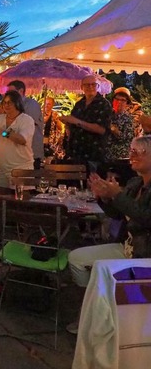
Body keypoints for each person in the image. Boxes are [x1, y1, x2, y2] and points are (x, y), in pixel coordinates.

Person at [66, 135, 151, 334]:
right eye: (131, 150)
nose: (132, 155)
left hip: (144, 254)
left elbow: (145, 218)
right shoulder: (135, 183)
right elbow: (119, 214)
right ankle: (96, 308)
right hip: (127, 248)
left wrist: (116, 195)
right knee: (76, 259)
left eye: (139, 152)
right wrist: (104, 197)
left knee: (101, 270)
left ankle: (104, 315)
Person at [0, 90, 35, 195]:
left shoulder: (26, 120)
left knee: (20, 199)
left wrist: (2, 132)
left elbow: (22, 140)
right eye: (4, 102)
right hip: (2, 167)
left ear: (17, 103)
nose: (6, 105)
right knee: (0, 198)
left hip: (21, 167)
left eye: (10, 102)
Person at [60, 75, 112, 171]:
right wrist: (67, 123)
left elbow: (102, 130)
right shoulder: (79, 104)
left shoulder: (104, 104)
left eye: (93, 85)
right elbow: (72, 127)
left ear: (98, 86)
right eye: (87, 85)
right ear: (82, 87)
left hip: (94, 155)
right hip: (76, 154)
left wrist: (77, 122)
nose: (90, 87)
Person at [6, 80, 44, 168]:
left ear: (21, 91)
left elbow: (25, 122)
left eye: (11, 92)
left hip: (31, 152)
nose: (9, 95)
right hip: (17, 153)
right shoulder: (12, 106)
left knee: (30, 180)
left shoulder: (31, 104)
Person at [43, 96, 65, 161]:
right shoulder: (40, 114)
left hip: (52, 141)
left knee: (50, 158)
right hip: (40, 139)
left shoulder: (55, 114)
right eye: (46, 103)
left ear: (52, 105)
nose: (47, 105)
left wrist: (56, 120)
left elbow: (60, 128)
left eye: (49, 104)